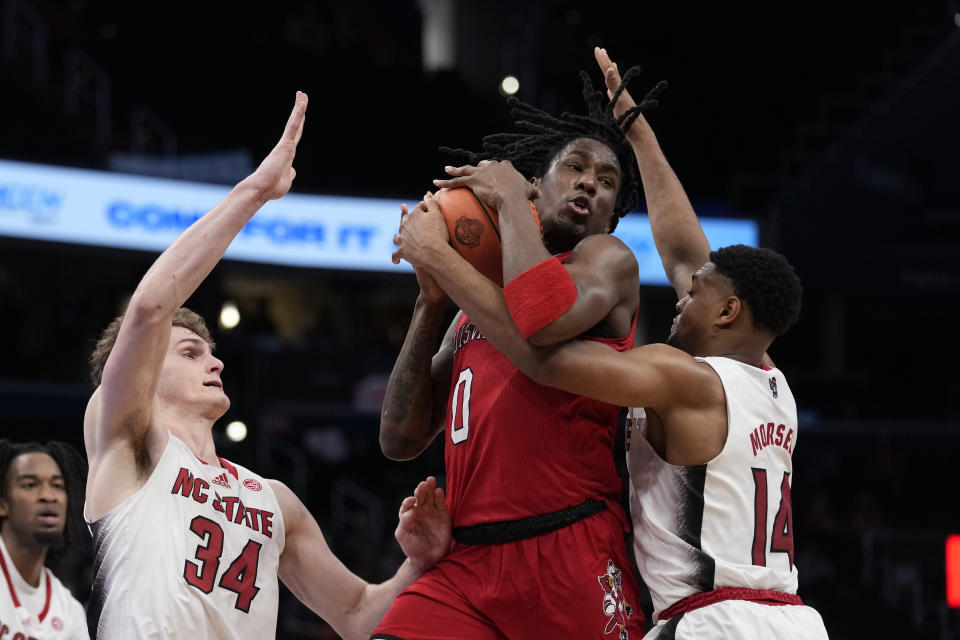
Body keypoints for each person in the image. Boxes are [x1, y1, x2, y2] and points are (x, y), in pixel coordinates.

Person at [391, 49, 829, 640]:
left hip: (707, 615)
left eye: (693, 295)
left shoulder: (682, 375)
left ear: (727, 311)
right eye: (574, 170)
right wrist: (640, 137)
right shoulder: (767, 379)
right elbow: (687, 257)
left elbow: (539, 348)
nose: (678, 296)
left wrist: (453, 245)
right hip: (784, 614)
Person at [82, 92, 451, 640]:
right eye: (190, 353)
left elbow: (356, 615)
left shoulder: (273, 500)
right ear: (139, 372)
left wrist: (416, 563)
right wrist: (257, 191)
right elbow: (149, 307)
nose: (216, 361)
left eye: (210, 350)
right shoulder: (127, 444)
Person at [375, 57, 667, 640]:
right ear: (541, 183)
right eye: (576, 168)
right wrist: (432, 302)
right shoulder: (472, 304)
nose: (589, 182)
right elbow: (400, 439)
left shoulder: (607, 262)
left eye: (607, 182)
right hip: (468, 562)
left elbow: (541, 319)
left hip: (570, 548)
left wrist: (484, 219)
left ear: (613, 214)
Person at [0, 440, 90, 640]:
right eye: (30, 485)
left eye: (57, 486)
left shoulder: (68, 611)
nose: (49, 496)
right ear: (3, 505)